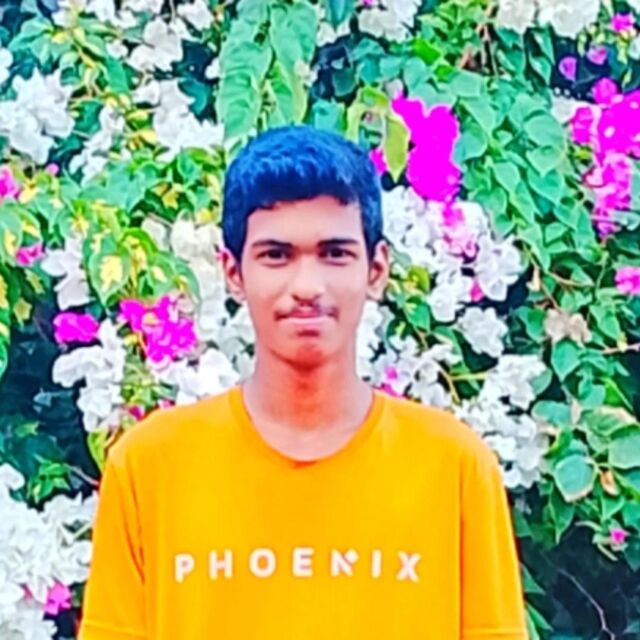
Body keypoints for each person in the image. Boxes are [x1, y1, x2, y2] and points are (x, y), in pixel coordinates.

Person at [79, 125, 528, 640]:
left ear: (376, 268)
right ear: (233, 272)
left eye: (335, 253)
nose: (308, 286)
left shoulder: (455, 468)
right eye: (276, 255)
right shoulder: (149, 467)